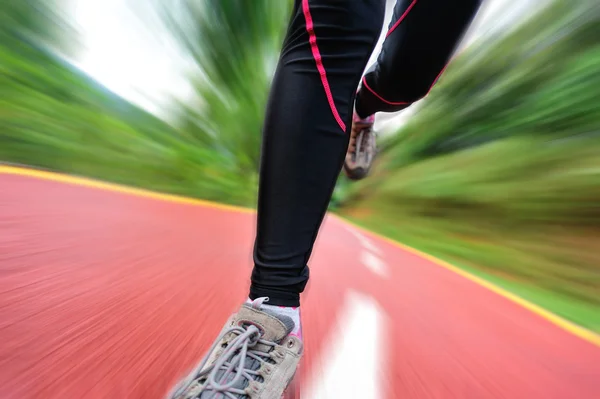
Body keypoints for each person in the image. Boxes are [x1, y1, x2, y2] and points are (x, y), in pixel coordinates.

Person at [168, 0, 483, 397]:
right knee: (333, 24)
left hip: (391, 81)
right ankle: (273, 310)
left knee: (408, 74)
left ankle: (364, 107)